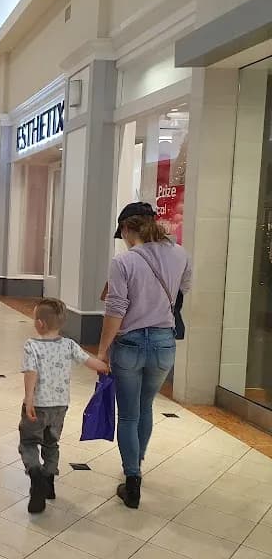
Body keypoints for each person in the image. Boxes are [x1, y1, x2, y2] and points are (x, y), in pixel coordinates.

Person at [98, 202, 191, 509]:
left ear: (127, 229)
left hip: (130, 346)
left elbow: (115, 311)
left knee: (128, 414)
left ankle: (132, 479)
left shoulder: (124, 261)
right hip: (164, 344)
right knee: (145, 407)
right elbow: (183, 289)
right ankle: (136, 463)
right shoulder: (179, 254)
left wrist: (102, 351)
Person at [19, 298, 108, 514]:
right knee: (51, 443)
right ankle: (48, 482)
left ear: (40, 324)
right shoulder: (69, 344)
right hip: (60, 407)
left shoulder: (32, 345)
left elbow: (31, 373)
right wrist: (106, 367)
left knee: (29, 442)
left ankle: (36, 474)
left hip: (38, 405)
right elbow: (89, 361)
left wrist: (28, 398)